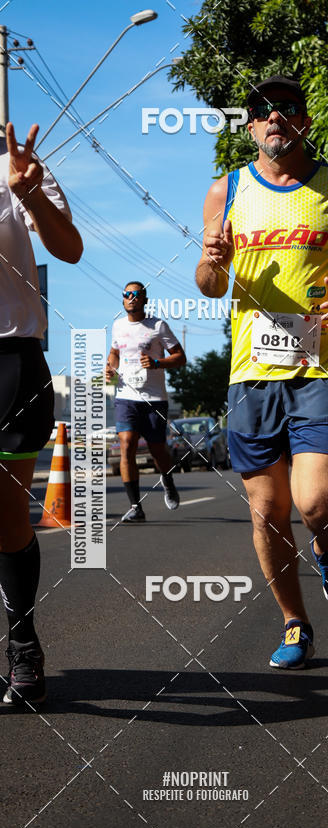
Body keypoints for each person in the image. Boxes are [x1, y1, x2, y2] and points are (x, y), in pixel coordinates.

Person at [195, 74, 328, 668]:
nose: (273, 116)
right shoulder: (225, 190)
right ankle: (295, 623)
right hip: (251, 373)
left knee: (318, 504)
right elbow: (209, 285)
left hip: (321, 368)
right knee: (267, 512)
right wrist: (211, 261)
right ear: (250, 125)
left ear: (304, 121)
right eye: (261, 109)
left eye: (286, 107)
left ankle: (327, 550)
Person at [1, 122, 83, 705]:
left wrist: (29, 193)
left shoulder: (15, 165)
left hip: (10, 358)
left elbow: (70, 249)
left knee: (7, 521)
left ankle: (23, 643)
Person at [106, 282, 186, 522]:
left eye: (136, 294)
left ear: (145, 300)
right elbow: (115, 353)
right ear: (123, 299)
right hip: (126, 396)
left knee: (157, 450)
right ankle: (135, 507)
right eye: (127, 294)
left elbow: (180, 357)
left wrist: (157, 363)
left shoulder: (158, 326)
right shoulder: (118, 326)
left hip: (154, 399)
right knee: (127, 444)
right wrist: (110, 367)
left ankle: (168, 480)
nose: (131, 298)